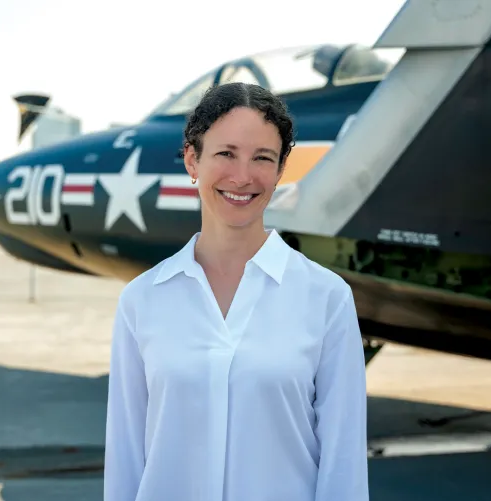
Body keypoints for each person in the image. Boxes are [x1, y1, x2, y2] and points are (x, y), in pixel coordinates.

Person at [103, 82, 369, 501]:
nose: (242, 177)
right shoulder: (142, 300)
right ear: (193, 159)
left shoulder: (327, 298)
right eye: (225, 154)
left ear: (281, 170)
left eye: (262, 158)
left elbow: (344, 465)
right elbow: (125, 459)